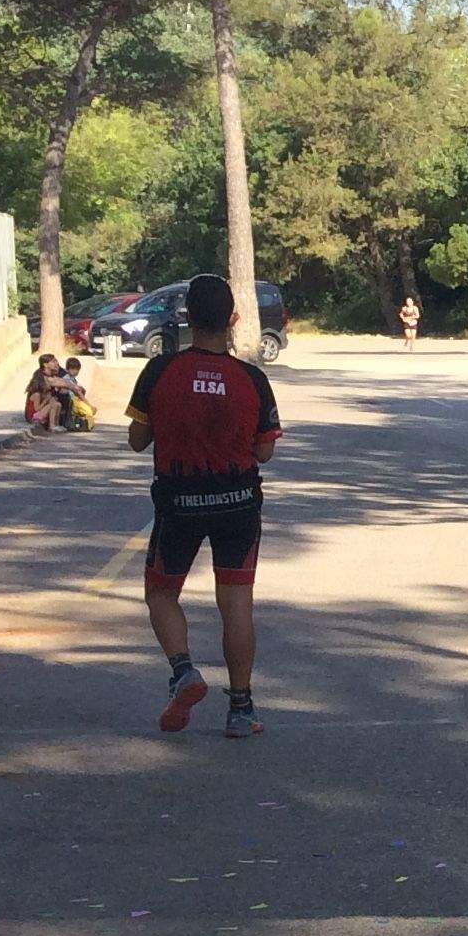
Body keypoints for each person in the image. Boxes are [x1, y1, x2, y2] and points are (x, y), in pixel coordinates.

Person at [130, 274, 282, 738]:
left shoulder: (159, 371)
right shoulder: (252, 379)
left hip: (179, 501)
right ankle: (241, 708)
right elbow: (264, 452)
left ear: (187, 318)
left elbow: (138, 441)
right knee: (236, 603)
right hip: (237, 503)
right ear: (233, 319)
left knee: (160, 593)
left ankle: (184, 672)